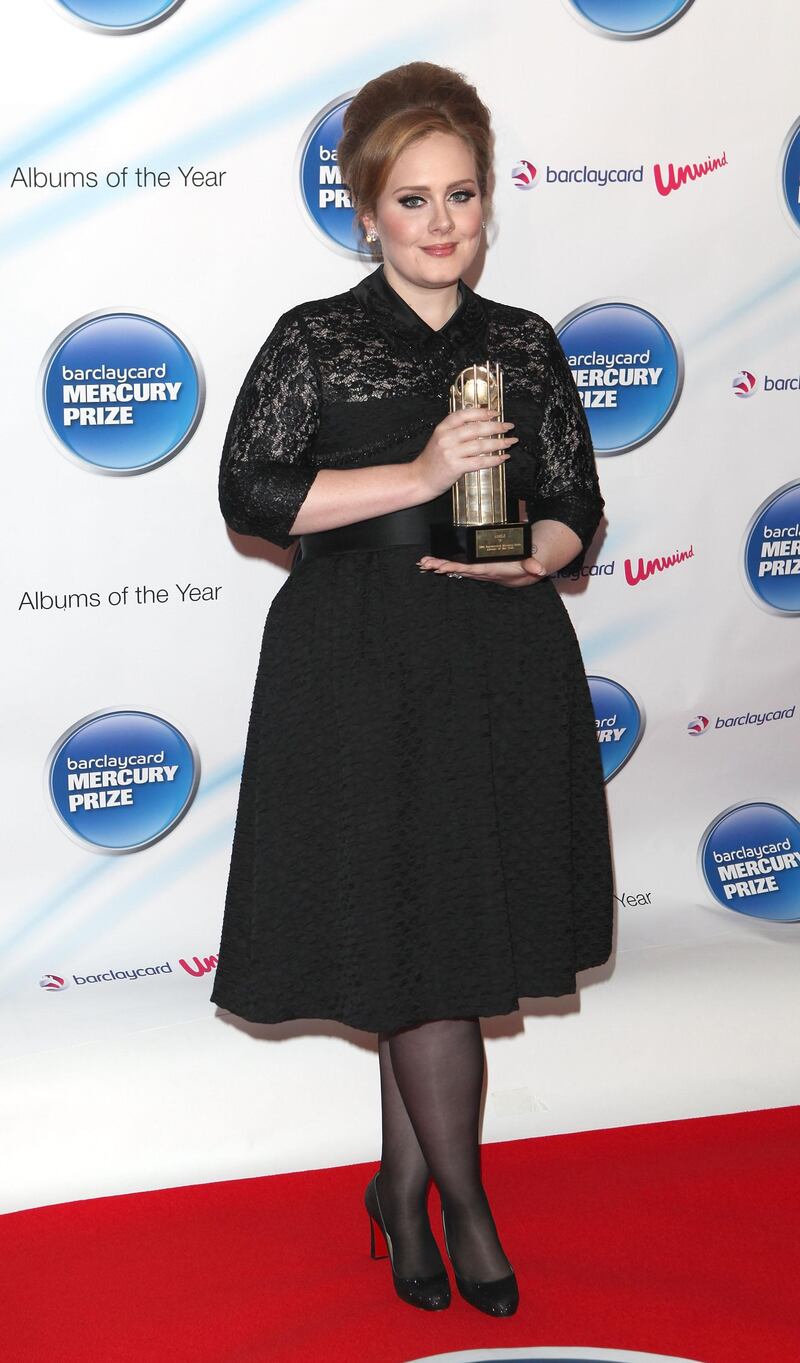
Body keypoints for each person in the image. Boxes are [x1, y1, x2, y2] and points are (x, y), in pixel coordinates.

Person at [211, 61, 614, 1319]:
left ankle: (399, 1189)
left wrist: (535, 561)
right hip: (358, 670)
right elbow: (253, 498)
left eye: (462, 196)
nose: (441, 224)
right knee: (412, 938)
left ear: (487, 201)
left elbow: (575, 508)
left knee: (425, 936)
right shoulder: (312, 341)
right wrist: (418, 467)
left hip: (494, 663)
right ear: (364, 211)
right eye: (412, 201)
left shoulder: (524, 342)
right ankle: (464, 1202)